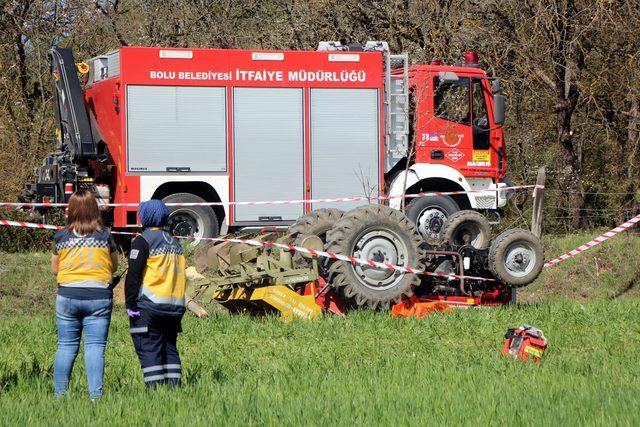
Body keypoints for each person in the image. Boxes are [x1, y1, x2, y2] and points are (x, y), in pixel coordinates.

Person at [51, 190, 118, 399]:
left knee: (66, 346)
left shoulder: (61, 236)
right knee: (95, 347)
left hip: (67, 295)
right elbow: (114, 267)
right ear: (94, 209)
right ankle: (95, 397)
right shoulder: (105, 236)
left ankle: (59, 395)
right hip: (99, 297)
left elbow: (55, 269)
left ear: (71, 210)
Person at [125, 199, 186, 388]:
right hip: (175, 307)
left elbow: (134, 275)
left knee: (149, 348)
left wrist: (130, 304)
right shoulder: (175, 244)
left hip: (150, 306)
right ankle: (175, 389)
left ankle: (155, 393)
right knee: (169, 348)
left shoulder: (142, 241)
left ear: (145, 217)